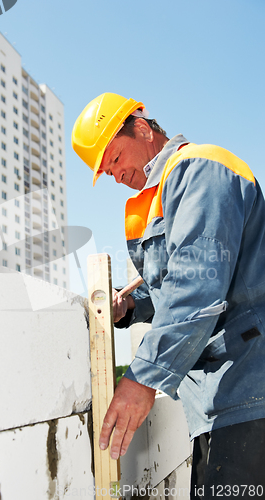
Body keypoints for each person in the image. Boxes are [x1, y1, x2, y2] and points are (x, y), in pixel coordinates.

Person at [72, 93, 265, 497]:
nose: (114, 173)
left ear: (142, 129)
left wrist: (142, 377)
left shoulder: (202, 170)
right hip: (213, 403)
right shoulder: (154, 199)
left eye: (114, 157)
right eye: (105, 170)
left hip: (248, 387)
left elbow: (197, 288)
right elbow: (169, 287)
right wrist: (127, 308)